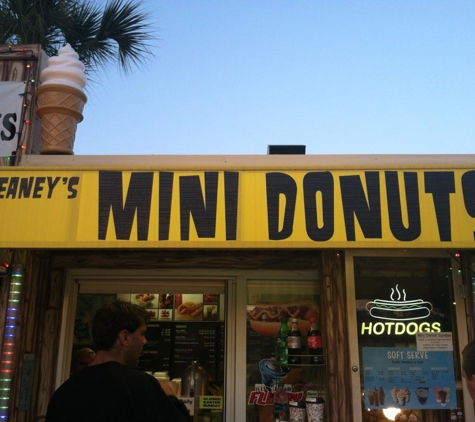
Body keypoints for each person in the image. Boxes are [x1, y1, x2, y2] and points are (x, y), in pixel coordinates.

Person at [46, 299, 192, 422]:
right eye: (142, 334)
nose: (145, 341)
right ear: (125, 337)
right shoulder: (142, 385)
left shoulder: (65, 391)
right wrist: (170, 395)